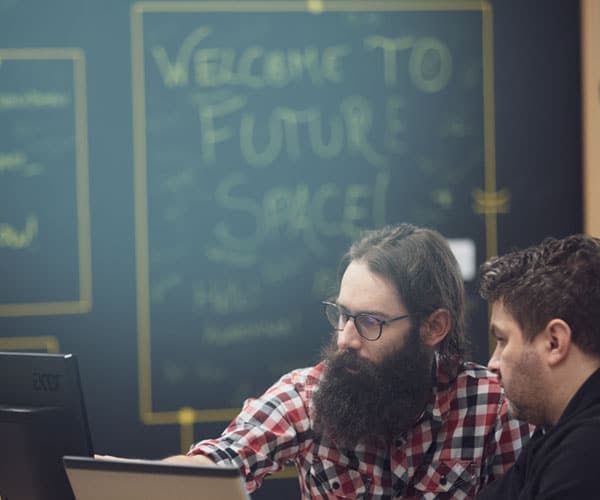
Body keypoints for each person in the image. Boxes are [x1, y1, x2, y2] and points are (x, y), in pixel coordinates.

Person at [167, 223, 532, 498]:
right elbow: (220, 462)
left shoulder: (492, 405)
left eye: (370, 322)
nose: (345, 338)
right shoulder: (308, 394)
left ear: (433, 327)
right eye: (342, 314)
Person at [477, 234, 600, 499]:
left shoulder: (586, 452)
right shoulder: (553, 432)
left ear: (554, 342)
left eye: (502, 340)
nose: (492, 364)